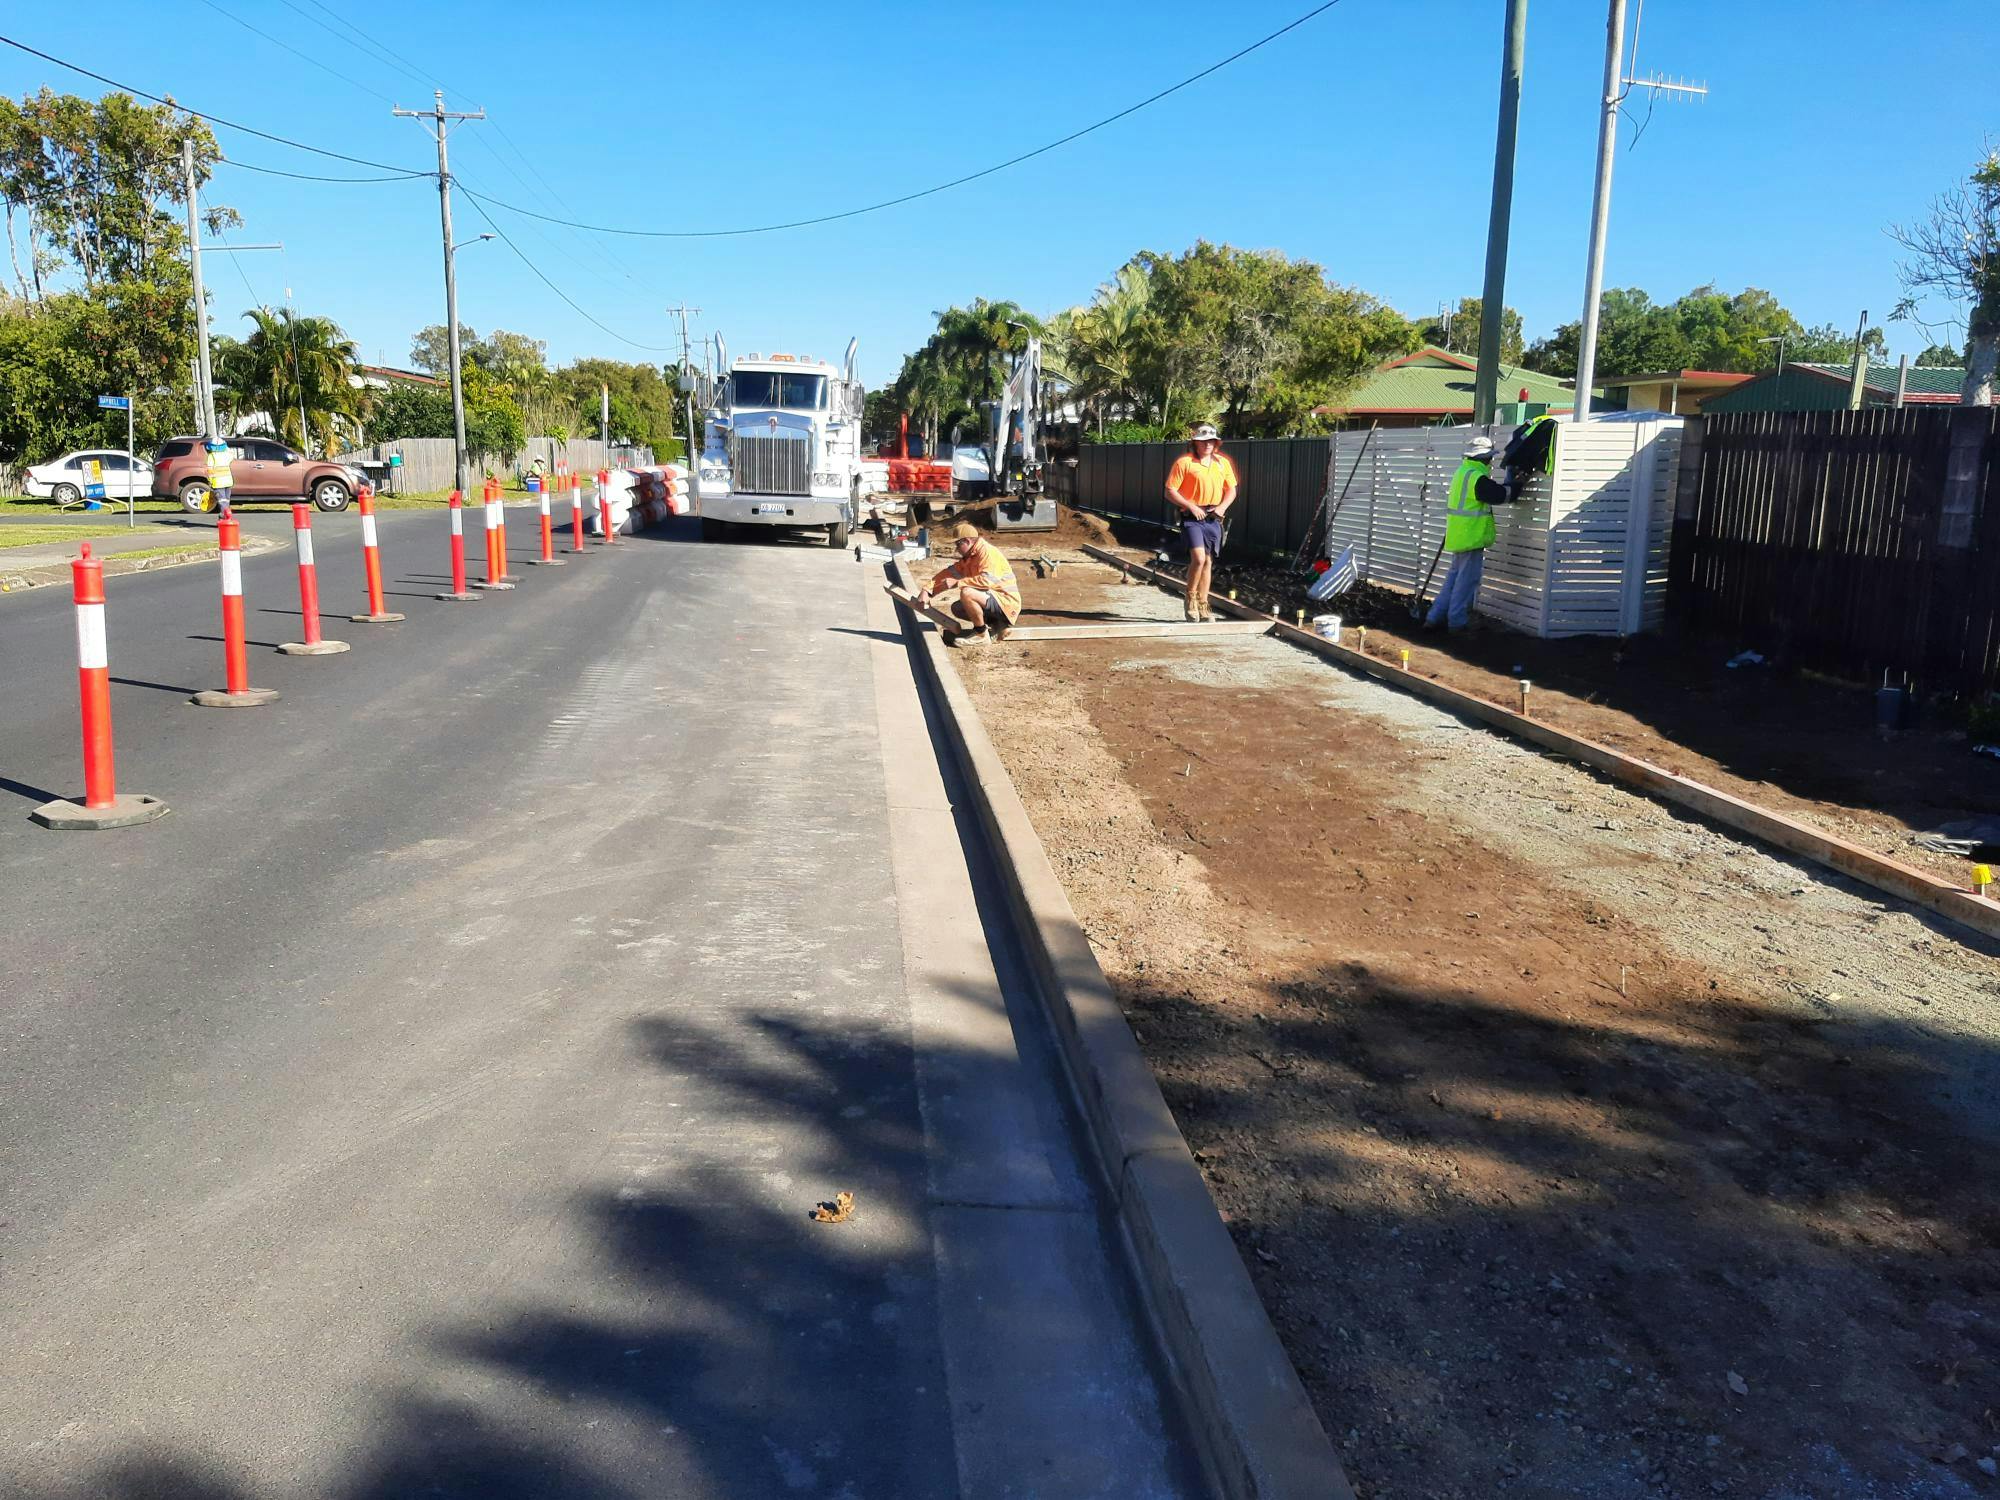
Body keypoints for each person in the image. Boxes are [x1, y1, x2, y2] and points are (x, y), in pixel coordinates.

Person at [1424, 434, 1512, 633]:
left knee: (1454, 578)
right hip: (1471, 537)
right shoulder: (1477, 478)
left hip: (1459, 535)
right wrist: (1514, 483)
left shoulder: (1462, 472)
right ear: (1485, 458)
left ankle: (1434, 617)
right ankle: (1457, 622)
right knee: (1466, 581)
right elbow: (1500, 495)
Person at [1162, 424, 1237, 621]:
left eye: (1211, 441)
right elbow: (1170, 491)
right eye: (1203, 441)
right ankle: (1190, 598)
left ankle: (1204, 604)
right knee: (1199, 558)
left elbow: (1232, 490)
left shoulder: (1222, 463)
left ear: (1216, 443)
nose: (1207, 445)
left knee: (1208, 561)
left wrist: (1221, 508)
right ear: (1196, 443)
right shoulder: (1184, 463)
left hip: (1213, 516)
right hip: (1191, 516)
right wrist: (1191, 506)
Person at [919, 523, 1022, 646]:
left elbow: (986, 581)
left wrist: (958, 583)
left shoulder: (987, 553)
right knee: (958, 608)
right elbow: (949, 573)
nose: (956, 549)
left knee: (967, 593)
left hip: (1006, 603)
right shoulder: (971, 556)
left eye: (958, 545)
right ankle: (999, 625)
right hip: (996, 602)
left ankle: (981, 635)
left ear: (967, 541)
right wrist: (927, 590)